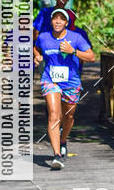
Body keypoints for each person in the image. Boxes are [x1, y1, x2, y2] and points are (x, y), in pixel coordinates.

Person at [34, 9, 95, 169]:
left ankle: (63, 140)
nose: (58, 21)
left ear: (66, 23)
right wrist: (37, 56)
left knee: (68, 117)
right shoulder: (44, 37)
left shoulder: (76, 38)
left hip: (71, 83)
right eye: (55, 18)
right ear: (51, 21)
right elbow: (35, 47)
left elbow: (91, 56)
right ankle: (57, 155)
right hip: (50, 80)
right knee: (54, 114)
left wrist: (73, 51)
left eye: (62, 19)